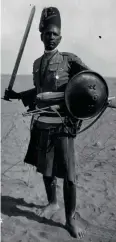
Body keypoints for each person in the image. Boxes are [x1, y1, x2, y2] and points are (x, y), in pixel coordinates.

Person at [5, 7, 90, 239]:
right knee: (46, 170)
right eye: (47, 33)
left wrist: (77, 105)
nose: (50, 37)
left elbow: (89, 85)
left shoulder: (69, 60)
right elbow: (39, 92)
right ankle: (52, 203)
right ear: (41, 35)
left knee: (69, 176)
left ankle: (70, 217)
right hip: (41, 124)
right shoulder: (36, 64)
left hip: (63, 125)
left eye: (54, 33)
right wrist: (17, 95)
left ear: (60, 36)